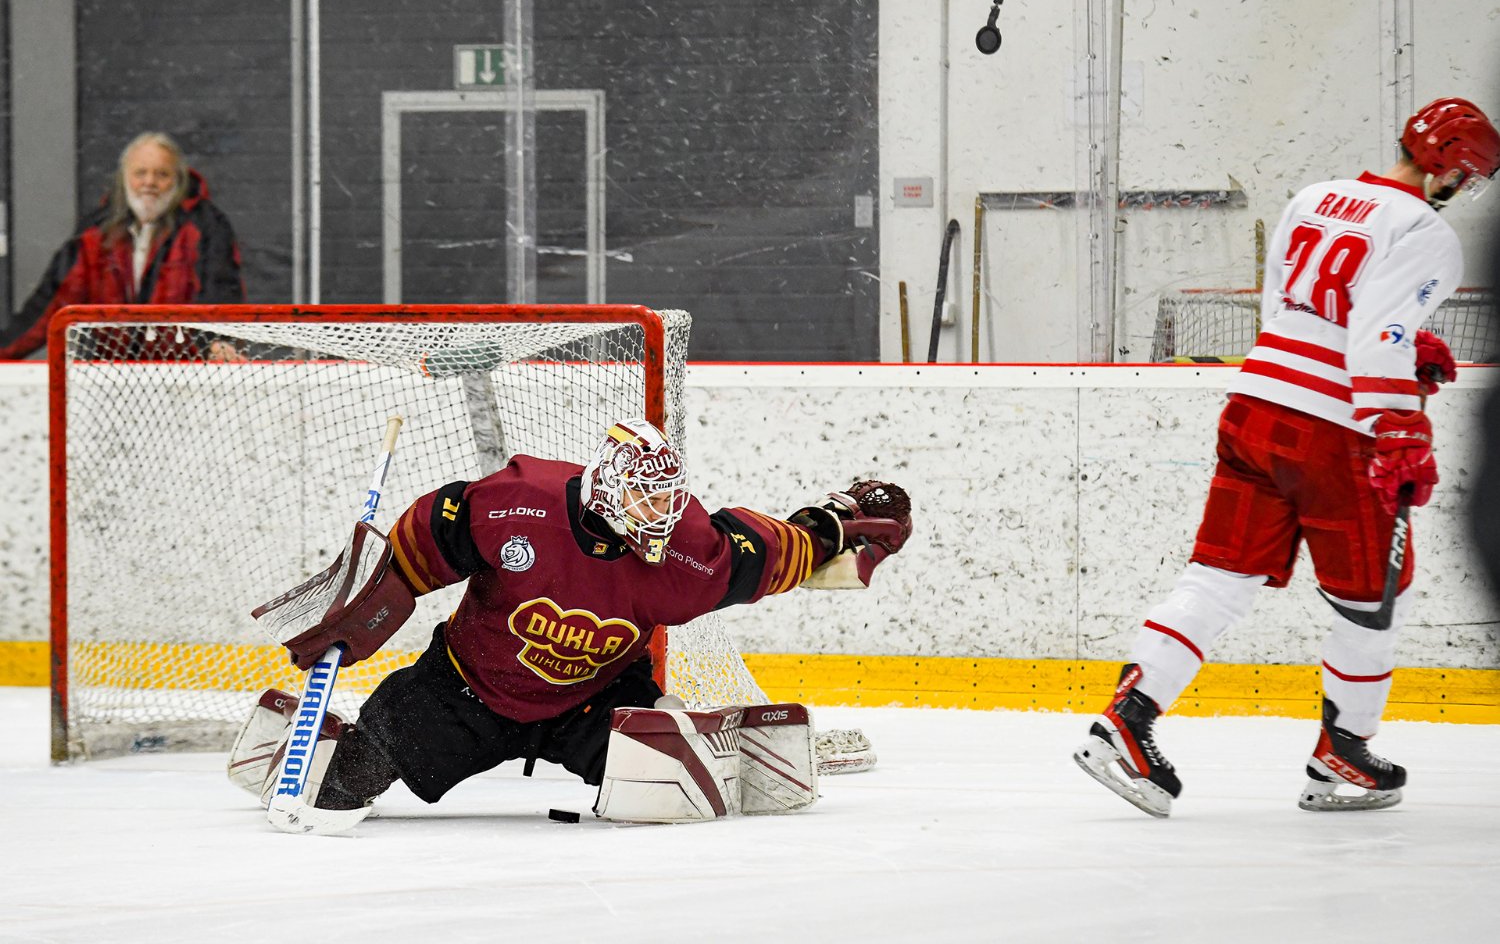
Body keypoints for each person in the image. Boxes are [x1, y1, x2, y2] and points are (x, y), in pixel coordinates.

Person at [1074, 97, 1500, 817]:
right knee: (1371, 600)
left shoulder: (1315, 197)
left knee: (1219, 577)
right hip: (1335, 431)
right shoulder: (1424, 230)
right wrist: (1397, 424)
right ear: (1451, 168)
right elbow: (1377, 334)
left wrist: (1399, 349)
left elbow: (1286, 310)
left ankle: (1126, 721)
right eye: (1469, 177)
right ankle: (1344, 752)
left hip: (1254, 408)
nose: (1464, 190)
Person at [231, 418, 912, 829]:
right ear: (608, 487)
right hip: (464, 690)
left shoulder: (688, 551)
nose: (660, 515)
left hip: (596, 702)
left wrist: (837, 524)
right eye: (645, 499)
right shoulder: (515, 504)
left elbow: (768, 552)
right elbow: (428, 534)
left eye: (667, 499)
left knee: (666, 798)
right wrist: (367, 607)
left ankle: (710, 743)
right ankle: (320, 748)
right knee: (342, 787)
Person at [0, 131, 244, 360]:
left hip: (184, 373)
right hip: (112, 374)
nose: (149, 182)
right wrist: (5, 351)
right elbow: (50, 304)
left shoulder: (205, 226)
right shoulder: (95, 233)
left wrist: (220, 341)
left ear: (179, 180)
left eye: (162, 174)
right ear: (124, 178)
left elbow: (220, 289)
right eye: (140, 173)